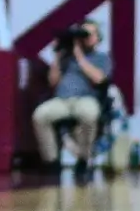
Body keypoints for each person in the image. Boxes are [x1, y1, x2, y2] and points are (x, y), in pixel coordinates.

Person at [30, 20, 111, 173]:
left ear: (98, 39)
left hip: (86, 99)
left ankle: (84, 158)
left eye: (90, 34)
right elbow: (52, 82)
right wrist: (58, 56)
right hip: (62, 100)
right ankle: (51, 161)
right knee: (40, 116)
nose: (86, 38)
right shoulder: (66, 58)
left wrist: (79, 56)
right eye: (83, 34)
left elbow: (99, 79)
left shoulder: (102, 58)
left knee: (90, 114)